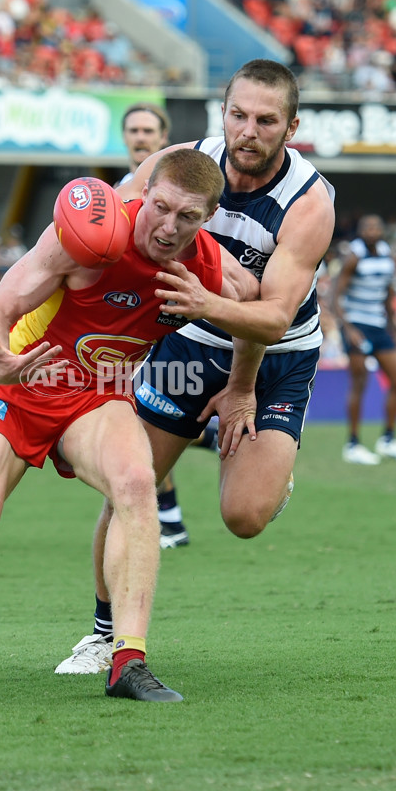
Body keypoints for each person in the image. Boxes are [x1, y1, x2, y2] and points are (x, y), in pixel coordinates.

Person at [0, 149, 259, 703]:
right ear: (144, 193)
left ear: (209, 218)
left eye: (188, 217)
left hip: (97, 395)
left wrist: (242, 387)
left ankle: (128, 661)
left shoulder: (209, 270)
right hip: (19, 386)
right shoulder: (90, 235)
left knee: (136, 483)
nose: (169, 227)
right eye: (161, 207)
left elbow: (253, 311)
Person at [55, 58, 336, 677]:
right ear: (223, 112)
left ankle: (262, 464)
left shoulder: (308, 204)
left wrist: (239, 387)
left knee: (244, 517)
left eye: (267, 120)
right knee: (132, 485)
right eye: (238, 115)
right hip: (187, 341)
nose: (249, 131)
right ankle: (104, 634)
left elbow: (270, 318)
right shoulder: (180, 164)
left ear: (292, 127)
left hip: (277, 355)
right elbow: (104, 220)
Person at [119, 101, 218, 548]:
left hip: (173, 320)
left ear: (165, 139)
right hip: (128, 321)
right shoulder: (121, 190)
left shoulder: (190, 190)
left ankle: (169, 518)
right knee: (143, 420)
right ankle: (172, 519)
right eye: (133, 130)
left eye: (148, 131)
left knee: (143, 419)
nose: (140, 138)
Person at [331, 213, 396, 465]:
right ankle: (353, 444)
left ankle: (388, 440)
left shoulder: (387, 255)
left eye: (376, 226)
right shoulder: (354, 257)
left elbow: (388, 298)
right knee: (359, 383)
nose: (372, 230)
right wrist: (349, 328)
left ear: (382, 231)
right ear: (360, 230)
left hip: (378, 326)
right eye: (367, 227)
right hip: (356, 325)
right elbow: (335, 296)